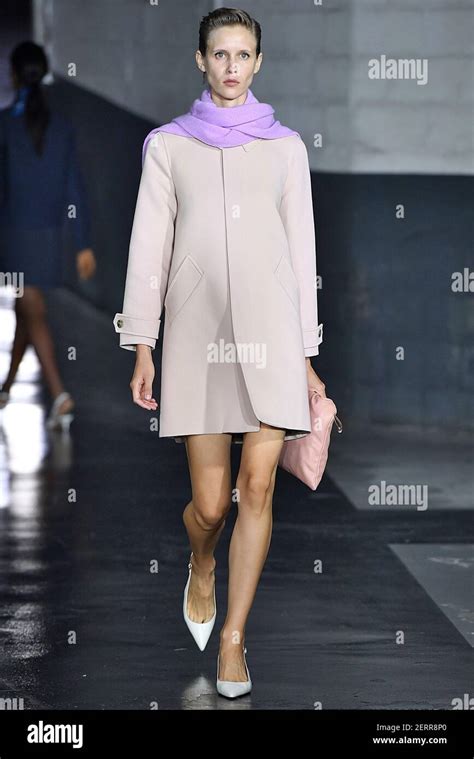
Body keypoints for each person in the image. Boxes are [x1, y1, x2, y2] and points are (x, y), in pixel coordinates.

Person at [113, 7, 326, 698]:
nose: (232, 67)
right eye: (220, 54)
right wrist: (142, 340)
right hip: (199, 335)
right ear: (200, 61)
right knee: (210, 504)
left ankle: (234, 637)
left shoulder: (287, 148)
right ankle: (200, 562)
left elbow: (302, 254)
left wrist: (306, 352)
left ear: (258, 62)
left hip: (271, 334)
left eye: (243, 55)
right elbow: (149, 246)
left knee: (257, 487)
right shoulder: (169, 146)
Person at [0, 41, 96, 429]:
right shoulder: (62, 128)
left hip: (15, 236)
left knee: (32, 308)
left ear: (12, 75)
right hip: (50, 237)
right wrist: (82, 242)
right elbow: (75, 187)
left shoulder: (4, 125)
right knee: (28, 309)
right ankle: (6, 387)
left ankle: (59, 394)